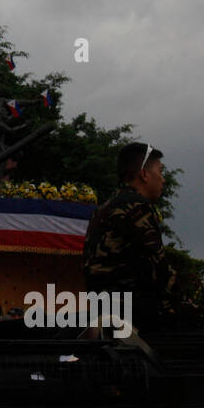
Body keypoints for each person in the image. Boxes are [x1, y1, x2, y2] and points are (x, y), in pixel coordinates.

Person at [82, 142, 174, 334]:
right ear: (144, 174)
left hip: (101, 309)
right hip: (135, 313)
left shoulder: (102, 209)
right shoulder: (137, 207)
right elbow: (160, 272)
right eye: (160, 171)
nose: (163, 179)